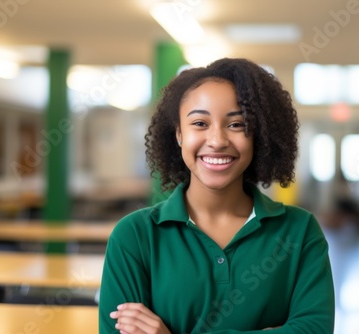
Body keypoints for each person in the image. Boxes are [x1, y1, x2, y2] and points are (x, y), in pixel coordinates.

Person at [99, 58, 335, 333]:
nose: (217, 140)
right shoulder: (135, 236)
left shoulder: (300, 231)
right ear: (178, 134)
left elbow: (315, 329)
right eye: (200, 123)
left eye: (236, 125)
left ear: (259, 135)